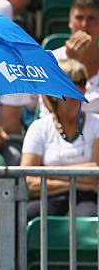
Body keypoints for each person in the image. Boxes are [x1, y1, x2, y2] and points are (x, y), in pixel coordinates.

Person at [21, 59, 99, 220]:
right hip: (49, 196)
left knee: (86, 220)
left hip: (86, 198)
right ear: (55, 93)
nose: (78, 89)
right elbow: (28, 181)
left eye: (82, 82)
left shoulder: (96, 123)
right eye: (71, 83)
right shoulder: (38, 128)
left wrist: (46, 174)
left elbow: (93, 174)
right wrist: (77, 181)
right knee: (25, 216)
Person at [51, 0, 99, 114]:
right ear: (70, 22)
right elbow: (54, 112)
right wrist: (72, 63)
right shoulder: (51, 60)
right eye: (79, 17)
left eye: (91, 18)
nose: (84, 25)